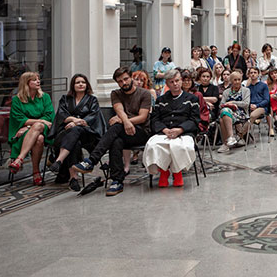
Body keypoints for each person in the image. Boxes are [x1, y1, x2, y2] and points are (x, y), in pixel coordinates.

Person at [70, 67, 151, 197]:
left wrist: (123, 121)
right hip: (123, 131)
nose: (123, 83)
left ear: (131, 77)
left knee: (117, 127)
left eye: (125, 79)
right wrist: (125, 120)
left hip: (141, 132)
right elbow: (119, 109)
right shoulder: (116, 93)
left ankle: (92, 161)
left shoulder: (145, 94)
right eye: (120, 81)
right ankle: (117, 181)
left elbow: (142, 117)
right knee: (116, 140)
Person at [142, 69, 201, 187]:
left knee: (179, 146)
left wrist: (180, 129)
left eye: (177, 81)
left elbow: (195, 120)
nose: (175, 84)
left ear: (181, 81)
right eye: (172, 82)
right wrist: (164, 130)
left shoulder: (192, 99)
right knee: (153, 146)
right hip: (164, 132)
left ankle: (177, 172)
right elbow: (154, 119)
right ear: (167, 84)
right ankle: (163, 171)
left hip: (184, 132)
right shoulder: (161, 100)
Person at [47, 74, 106, 189]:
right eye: (77, 82)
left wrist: (76, 123)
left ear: (87, 84)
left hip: (87, 133)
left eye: (83, 82)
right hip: (65, 133)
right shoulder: (65, 99)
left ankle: (59, 160)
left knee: (76, 130)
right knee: (75, 142)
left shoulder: (92, 100)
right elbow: (61, 115)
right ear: (73, 85)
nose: (80, 84)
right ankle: (73, 178)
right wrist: (74, 120)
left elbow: (93, 116)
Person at [7, 72, 55, 185]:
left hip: (43, 129)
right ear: (26, 83)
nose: (38, 81)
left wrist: (30, 126)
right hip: (24, 132)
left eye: (38, 79)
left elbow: (49, 116)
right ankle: (36, 172)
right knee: (39, 139)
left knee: (38, 127)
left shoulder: (45, 97)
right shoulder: (17, 100)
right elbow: (19, 119)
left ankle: (19, 159)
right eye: (34, 79)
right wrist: (39, 121)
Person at [217, 70, 250, 152]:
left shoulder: (246, 90)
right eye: (235, 80)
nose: (237, 82)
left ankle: (226, 143)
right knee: (225, 111)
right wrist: (229, 105)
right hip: (229, 113)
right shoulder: (226, 92)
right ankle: (231, 138)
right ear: (231, 81)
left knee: (222, 118)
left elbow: (246, 104)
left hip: (241, 114)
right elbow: (221, 105)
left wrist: (233, 102)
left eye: (239, 79)